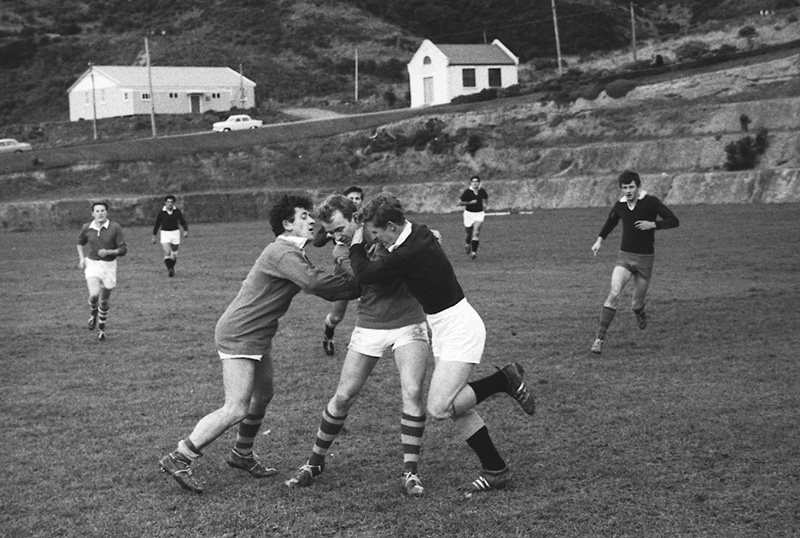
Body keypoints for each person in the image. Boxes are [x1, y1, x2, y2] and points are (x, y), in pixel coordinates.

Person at [159, 194, 360, 494]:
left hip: (257, 333)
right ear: (287, 224)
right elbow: (315, 284)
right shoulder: (281, 253)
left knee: (263, 394)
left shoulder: (292, 249)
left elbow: (320, 248)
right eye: (304, 216)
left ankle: (241, 454)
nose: (311, 221)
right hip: (240, 333)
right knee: (236, 407)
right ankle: (180, 456)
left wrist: (338, 238)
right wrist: (363, 282)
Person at [348, 193, 536, 495]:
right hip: (447, 326)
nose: (375, 238)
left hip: (460, 328)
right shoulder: (419, 232)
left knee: (438, 406)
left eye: (377, 231)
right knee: (454, 408)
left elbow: (365, 274)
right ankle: (496, 469)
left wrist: (356, 242)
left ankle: (504, 379)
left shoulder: (407, 253)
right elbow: (421, 235)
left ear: (393, 226)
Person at [286, 193, 430, 496]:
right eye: (333, 232)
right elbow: (368, 281)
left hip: (408, 319)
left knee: (413, 391)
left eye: (341, 228)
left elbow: (408, 240)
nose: (338, 236)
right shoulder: (342, 251)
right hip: (370, 324)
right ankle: (314, 462)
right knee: (344, 395)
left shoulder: (386, 232)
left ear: (356, 218)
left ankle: (411, 472)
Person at [590, 170, 680, 355]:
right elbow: (610, 222)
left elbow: (674, 220)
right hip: (625, 256)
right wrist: (599, 240)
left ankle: (639, 312)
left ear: (638, 186)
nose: (628, 191)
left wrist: (653, 224)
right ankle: (599, 339)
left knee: (636, 303)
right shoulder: (620, 205)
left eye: (631, 187)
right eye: (625, 188)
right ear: (621, 189)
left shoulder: (651, 202)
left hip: (645, 260)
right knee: (614, 293)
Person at [315, 185, 364, 355]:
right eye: (351, 198)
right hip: (345, 271)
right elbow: (317, 241)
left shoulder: (371, 225)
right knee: (336, 316)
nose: (354, 201)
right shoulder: (334, 224)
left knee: (368, 305)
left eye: (357, 198)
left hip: (365, 271)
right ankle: (328, 335)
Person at [76, 201, 128, 341]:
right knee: (94, 295)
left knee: (104, 300)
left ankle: (102, 328)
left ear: (107, 212)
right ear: (92, 213)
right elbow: (80, 243)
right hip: (92, 263)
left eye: (103, 210)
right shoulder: (87, 227)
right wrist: (82, 259)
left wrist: (109, 251)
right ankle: (93, 313)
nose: (100, 213)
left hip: (109, 265)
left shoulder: (115, 227)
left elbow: (123, 250)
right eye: (97, 211)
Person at [152, 194, 189, 277]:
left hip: (175, 233)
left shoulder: (177, 211)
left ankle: (171, 267)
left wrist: (185, 230)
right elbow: (157, 224)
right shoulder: (161, 213)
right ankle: (170, 269)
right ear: (165, 203)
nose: (170, 204)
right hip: (165, 233)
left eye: (171, 202)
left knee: (174, 254)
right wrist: (154, 236)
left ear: (174, 203)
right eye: (168, 202)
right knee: (168, 251)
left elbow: (182, 221)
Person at [458, 175, 488, 260]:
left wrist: (485, 205)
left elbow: (486, 198)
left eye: (476, 182)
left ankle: (474, 252)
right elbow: (459, 203)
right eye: (473, 182)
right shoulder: (467, 192)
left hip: (479, 214)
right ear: (471, 183)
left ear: (479, 183)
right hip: (468, 214)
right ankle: (468, 244)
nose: (475, 183)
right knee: (468, 234)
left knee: (476, 232)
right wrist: (470, 203)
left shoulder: (482, 191)